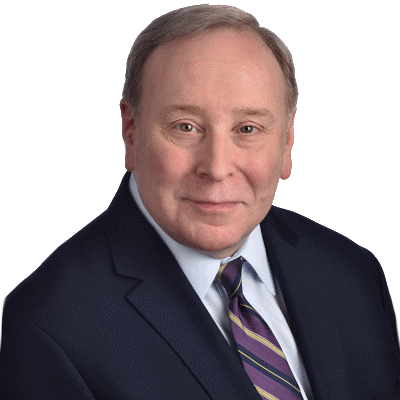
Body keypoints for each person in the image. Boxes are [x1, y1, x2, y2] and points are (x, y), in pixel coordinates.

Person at [1, 5, 399, 400]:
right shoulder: (39, 331)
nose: (217, 168)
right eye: (186, 127)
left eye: (248, 129)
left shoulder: (354, 272)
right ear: (131, 131)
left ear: (287, 140)